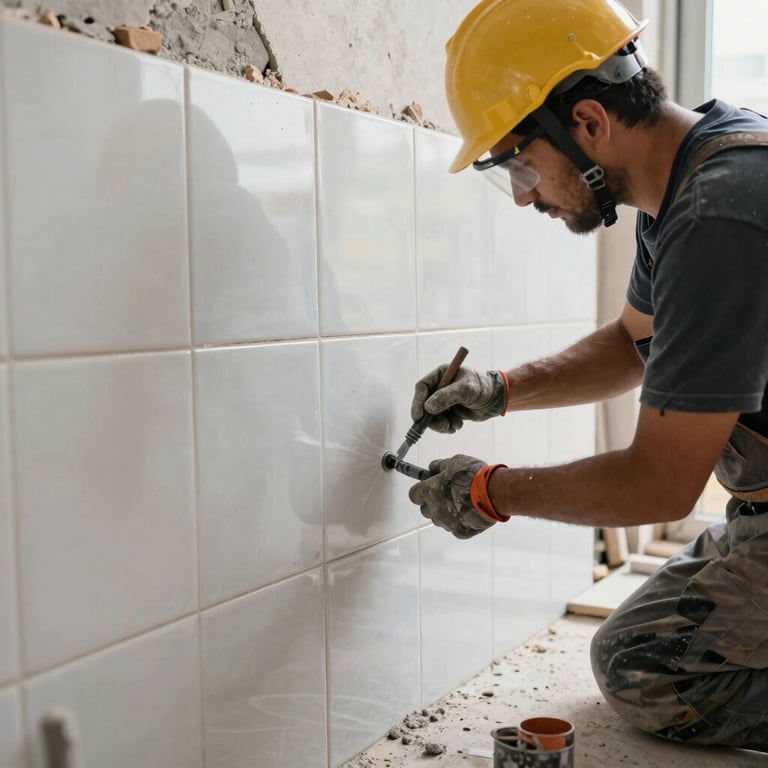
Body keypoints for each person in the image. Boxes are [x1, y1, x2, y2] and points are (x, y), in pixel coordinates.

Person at [407, 0, 768, 753]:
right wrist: (498, 390)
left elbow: (660, 485)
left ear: (591, 123)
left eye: (521, 163)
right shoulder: (688, 179)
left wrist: (491, 491)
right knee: (641, 641)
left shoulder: (716, 217)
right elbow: (632, 343)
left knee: (648, 671)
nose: (525, 193)